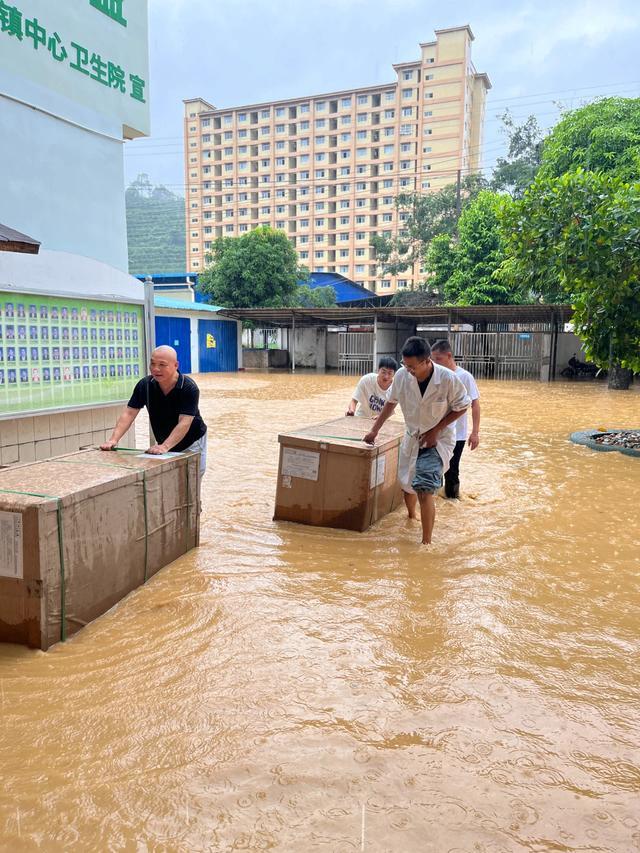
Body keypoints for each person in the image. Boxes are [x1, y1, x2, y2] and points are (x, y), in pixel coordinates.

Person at [363, 337, 470, 546]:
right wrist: (374, 431)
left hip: (438, 441)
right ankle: (411, 517)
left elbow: (463, 405)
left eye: (412, 366)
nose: (408, 370)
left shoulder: (448, 379)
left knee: (424, 486)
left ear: (426, 361)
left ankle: (426, 543)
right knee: (407, 483)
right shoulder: (402, 377)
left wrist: (435, 431)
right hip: (412, 436)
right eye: (405, 365)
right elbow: (390, 404)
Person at [100, 345, 208, 477]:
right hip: (164, 441)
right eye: (153, 363)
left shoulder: (189, 388)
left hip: (191, 441)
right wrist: (113, 440)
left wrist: (164, 447)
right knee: (168, 479)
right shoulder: (144, 385)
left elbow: (185, 422)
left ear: (176, 365)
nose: (156, 369)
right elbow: (129, 413)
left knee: (192, 478)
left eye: (162, 365)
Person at [430, 340, 480, 499]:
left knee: (452, 470)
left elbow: (475, 405)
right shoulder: (435, 375)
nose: (434, 363)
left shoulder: (464, 376)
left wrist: (475, 433)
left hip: (457, 434)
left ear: (449, 356)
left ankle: (452, 501)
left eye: (438, 359)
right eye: (432, 359)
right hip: (435, 431)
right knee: (434, 467)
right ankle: (435, 501)